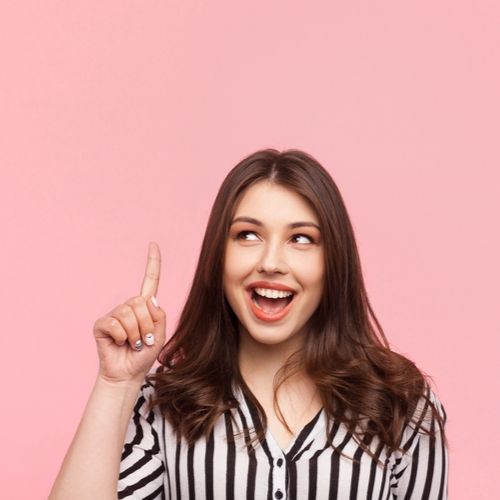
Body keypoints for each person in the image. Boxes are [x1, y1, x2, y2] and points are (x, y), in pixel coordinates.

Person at [49, 149, 448, 499]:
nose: (271, 262)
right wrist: (115, 384)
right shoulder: (161, 407)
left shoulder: (401, 405)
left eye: (302, 239)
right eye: (248, 235)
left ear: (334, 262)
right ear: (218, 257)